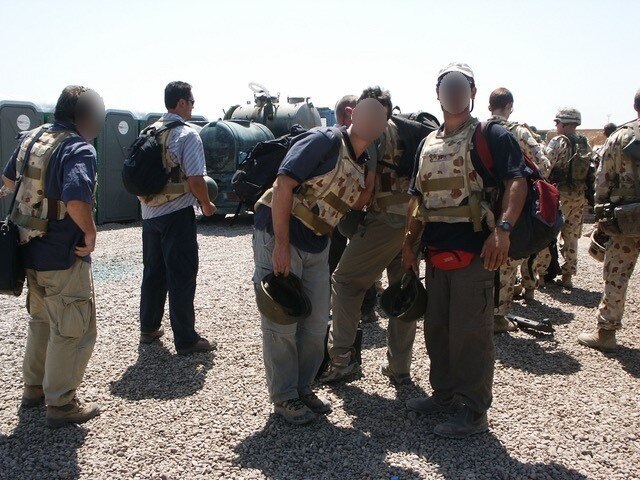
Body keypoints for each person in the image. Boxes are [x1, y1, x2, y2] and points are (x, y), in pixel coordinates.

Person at [403, 63, 528, 438]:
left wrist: (503, 231)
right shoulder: (427, 143)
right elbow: (416, 200)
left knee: (470, 333)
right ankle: (443, 394)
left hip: (477, 251)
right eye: (447, 86)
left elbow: (516, 181)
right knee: (438, 329)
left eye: (461, 86)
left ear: (472, 92)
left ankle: (474, 412)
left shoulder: (491, 134)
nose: (454, 92)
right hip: (436, 253)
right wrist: (408, 246)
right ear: (437, 93)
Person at [252, 98, 388, 425]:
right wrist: (280, 247)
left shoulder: (365, 158)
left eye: (379, 120)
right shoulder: (324, 140)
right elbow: (283, 184)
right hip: (281, 232)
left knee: (314, 325)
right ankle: (284, 396)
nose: (372, 123)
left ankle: (302, 387)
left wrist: (371, 179)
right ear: (353, 115)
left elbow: (353, 201)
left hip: (318, 240)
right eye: (367, 115)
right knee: (282, 321)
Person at [2, 86, 104, 427]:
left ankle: (34, 390)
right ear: (83, 116)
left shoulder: (31, 139)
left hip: (26, 250)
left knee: (41, 322)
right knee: (73, 330)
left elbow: (6, 180)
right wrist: (90, 233)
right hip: (62, 254)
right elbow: (76, 200)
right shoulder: (78, 148)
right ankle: (60, 404)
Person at [321, 86, 423, 385]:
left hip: (385, 222)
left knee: (345, 280)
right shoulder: (408, 132)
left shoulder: (375, 134)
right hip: (412, 220)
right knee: (402, 289)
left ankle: (341, 358)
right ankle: (399, 367)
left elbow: (365, 191)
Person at [138, 81, 217, 355]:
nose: (193, 106)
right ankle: (186, 339)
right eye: (192, 102)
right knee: (182, 275)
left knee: (153, 272)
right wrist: (206, 204)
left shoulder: (148, 131)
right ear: (182, 103)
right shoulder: (187, 135)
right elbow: (196, 179)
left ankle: (148, 328)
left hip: (149, 214)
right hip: (176, 214)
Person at [578, 89, 640, 351]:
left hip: (626, 220)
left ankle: (606, 334)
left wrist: (601, 216)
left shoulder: (621, 136)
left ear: (635, 106)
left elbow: (603, 180)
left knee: (616, 274)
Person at [487, 87, 551, 331]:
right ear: (510, 106)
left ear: (489, 105)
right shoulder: (518, 131)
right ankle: (497, 317)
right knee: (508, 257)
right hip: (512, 203)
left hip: (481, 203)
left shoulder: (478, 130)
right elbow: (544, 164)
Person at [327, 95, 379, 323]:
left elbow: (368, 184)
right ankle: (361, 308)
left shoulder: (361, 141)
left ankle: (361, 307)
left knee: (343, 258)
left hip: (348, 210)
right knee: (355, 260)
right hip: (353, 209)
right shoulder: (350, 139)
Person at [545, 107, 594, 288]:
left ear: (564, 124)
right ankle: (568, 276)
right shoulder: (585, 144)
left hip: (559, 196)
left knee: (548, 234)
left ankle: (542, 275)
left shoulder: (558, 142)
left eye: (557, 123)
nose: (556, 126)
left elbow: (545, 166)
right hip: (579, 196)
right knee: (572, 237)